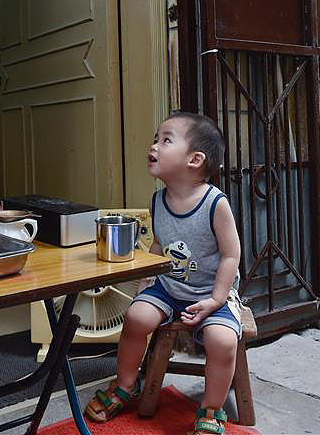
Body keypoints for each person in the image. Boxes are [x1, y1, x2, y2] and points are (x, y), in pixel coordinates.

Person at [85, 112, 242, 435]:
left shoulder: (215, 203)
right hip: (169, 286)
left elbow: (231, 254)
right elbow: (159, 243)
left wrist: (216, 299)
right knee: (136, 317)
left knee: (222, 340)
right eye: (156, 139)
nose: (154, 146)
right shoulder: (158, 201)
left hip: (212, 291)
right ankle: (125, 386)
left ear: (195, 159)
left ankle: (211, 410)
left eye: (166, 140)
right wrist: (148, 279)